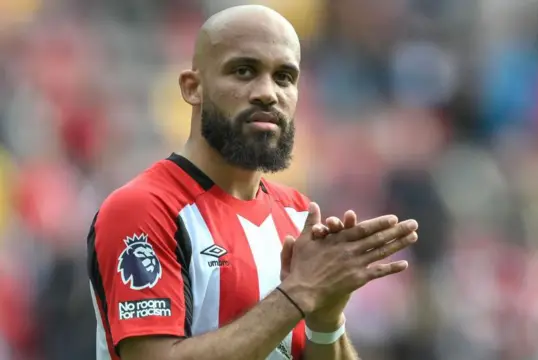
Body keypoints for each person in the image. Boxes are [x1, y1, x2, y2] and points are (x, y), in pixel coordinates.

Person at [86, 5, 419, 360]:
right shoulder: (145, 209)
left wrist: (327, 318)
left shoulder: (298, 216)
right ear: (192, 87)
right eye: (244, 71)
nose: (267, 93)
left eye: (284, 77)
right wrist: (298, 294)